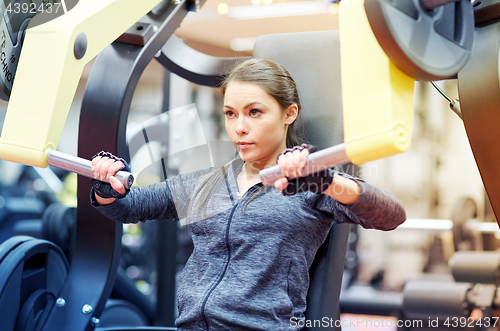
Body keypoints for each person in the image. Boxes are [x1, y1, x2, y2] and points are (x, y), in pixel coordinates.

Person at [90, 58, 406, 331]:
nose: (239, 127)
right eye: (231, 114)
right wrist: (109, 188)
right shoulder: (210, 182)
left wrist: (325, 180)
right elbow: (128, 207)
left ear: (289, 113)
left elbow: (392, 216)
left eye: (254, 112)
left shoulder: (309, 183)